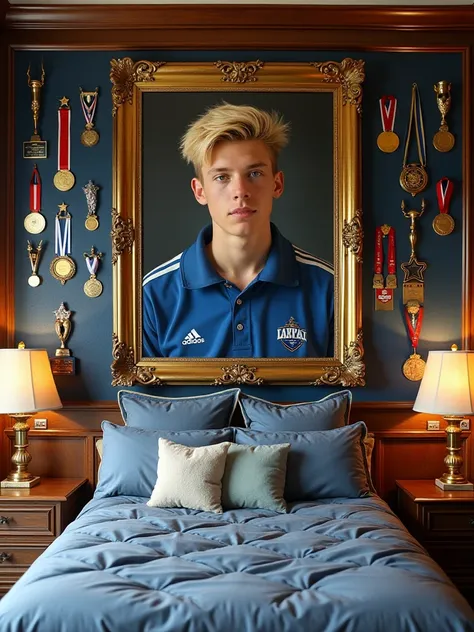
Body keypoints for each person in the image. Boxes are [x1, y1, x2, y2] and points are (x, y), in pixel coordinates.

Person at [143, 102, 334, 358]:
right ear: (200, 191)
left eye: (254, 173)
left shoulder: (329, 287)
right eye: (222, 177)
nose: (240, 191)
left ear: (277, 184)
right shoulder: (154, 293)